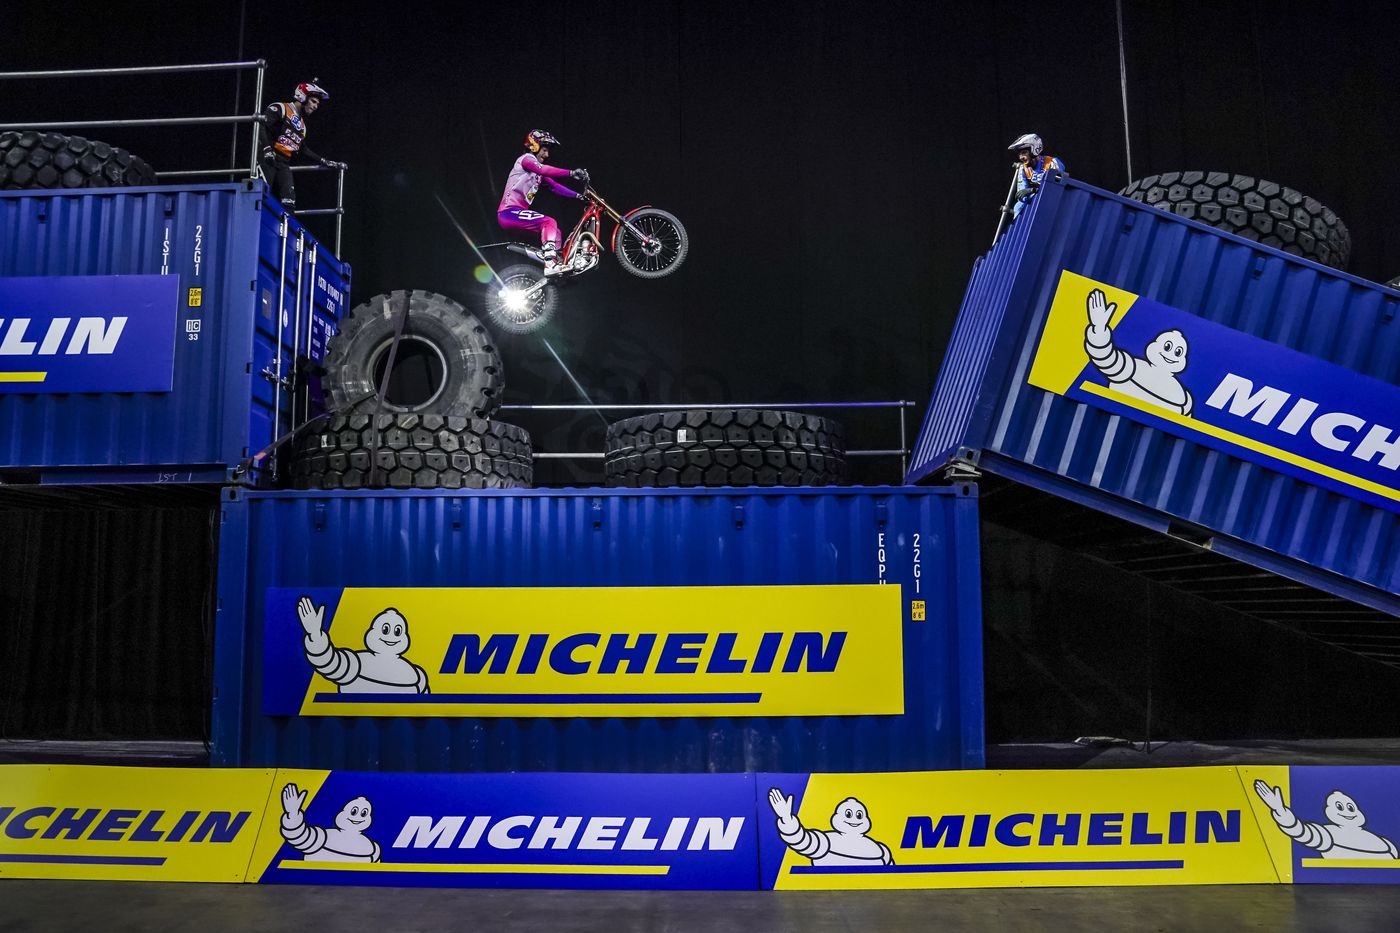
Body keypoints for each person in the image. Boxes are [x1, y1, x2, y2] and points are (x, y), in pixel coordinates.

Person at [498, 129, 590, 276]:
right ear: (534, 146)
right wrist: (571, 173)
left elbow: (554, 186)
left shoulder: (538, 174)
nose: (547, 155)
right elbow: (544, 170)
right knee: (549, 222)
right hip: (509, 212)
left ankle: (557, 266)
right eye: (545, 150)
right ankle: (550, 262)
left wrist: (578, 196)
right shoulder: (526, 159)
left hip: (516, 213)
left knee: (556, 233)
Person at [259, 79, 346, 211]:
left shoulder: (302, 126)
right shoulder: (282, 108)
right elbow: (260, 126)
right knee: (260, 194)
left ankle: (283, 225)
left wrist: (324, 161)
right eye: (313, 101)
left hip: (284, 163)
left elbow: (303, 149)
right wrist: (266, 149)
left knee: (289, 202)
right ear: (302, 96)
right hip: (267, 157)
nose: (316, 106)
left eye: (317, 104)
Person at [1008, 132, 1064, 218]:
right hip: (1037, 199)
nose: (1021, 157)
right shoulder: (1023, 169)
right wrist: (1025, 196)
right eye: (1019, 154)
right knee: (1018, 206)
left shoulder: (1052, 163)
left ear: (1034, 150)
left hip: (1055, 201)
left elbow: (1057, 188)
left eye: (1024, 152)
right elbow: (1021, 193)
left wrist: (1032, 190)